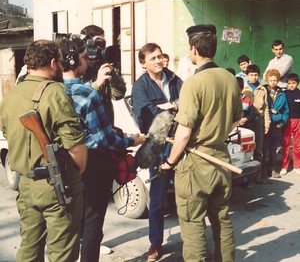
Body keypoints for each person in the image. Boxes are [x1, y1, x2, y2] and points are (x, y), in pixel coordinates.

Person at [56, 35, 145, 262]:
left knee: (70, 222)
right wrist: (131, 141)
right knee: (93, 222)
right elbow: (106, 140)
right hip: (94, 161)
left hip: (63, 164)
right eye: (86, 56)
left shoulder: (51, 91)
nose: (89, 59)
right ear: (74, 60)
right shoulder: (87, 93)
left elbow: (118, 93)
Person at [160, 24, 242, 262]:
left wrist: (169, 161)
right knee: (222, 219)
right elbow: (236, 120)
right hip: (221, 158)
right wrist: (215, 131)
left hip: (197, 161)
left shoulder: (193, 83)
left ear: (193, 49)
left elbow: (184, 133)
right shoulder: (230, 78)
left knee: (192, 223)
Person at [0, 40, 87, 261]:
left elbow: (6, 131)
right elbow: (76, 146)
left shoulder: (13, 94)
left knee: (29, 249)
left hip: (26, 185)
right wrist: (76, 173)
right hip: (57, 184)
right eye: (59, 61)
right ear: (51, 63)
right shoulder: (55, 92)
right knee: (62, 253)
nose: (61, 65)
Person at [131, 43, 183, 261]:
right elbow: (147, 114)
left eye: (160, 56)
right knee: (158, 198)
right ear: (143, 63)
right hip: (157, 145)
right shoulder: (140, 86)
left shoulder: (173, 78)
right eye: (153, 58)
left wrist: (168, 106)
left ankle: (192, 241)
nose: (158, 61)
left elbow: (188, 102)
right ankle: (155, 243)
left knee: (186, 194)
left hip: (180, 141)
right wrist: (173, 107)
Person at [80, 24, 126, 125]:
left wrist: (112, 73)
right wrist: (96, 84)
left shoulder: (102, 65)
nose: (100, 46)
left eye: (102, 42)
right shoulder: (78, 68)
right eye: (97, 42)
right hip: (88, 128)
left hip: (106, 126)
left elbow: (118, 95)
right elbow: (78, 99)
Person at [243, 64, 271, 181]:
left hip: (259, 120)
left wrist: (267, 124)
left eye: (256, 75)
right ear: (247, 75)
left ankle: (258, 175)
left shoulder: (262, 89)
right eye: (251, 75)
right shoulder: (244, 89)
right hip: (246, 121)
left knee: (258, 149)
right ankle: (246, 178)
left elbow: (266, 108)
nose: (254, 77)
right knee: (246, 149)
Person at [263, 69, 289, 178]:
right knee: (264, 147)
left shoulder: (282, 94)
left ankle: (272, 169)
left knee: (273, 148)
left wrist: (282, 122)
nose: (273, 82)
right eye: (271, 80)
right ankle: (263, 170)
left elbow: (286, 110)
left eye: (275, 80)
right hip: (265, 124)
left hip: (276, 125)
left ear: (278, 80)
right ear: (267, 80)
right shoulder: (263, 91)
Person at [280, 73, 300, 175]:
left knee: (298, 145)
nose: (291, 85)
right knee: (286, 144)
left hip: (298, 121)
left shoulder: (299, 93)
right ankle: (284, 166)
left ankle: (297, 166)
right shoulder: (284, 94)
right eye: (289, 83)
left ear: (297, 83)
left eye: (294, 83)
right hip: (287, 121)